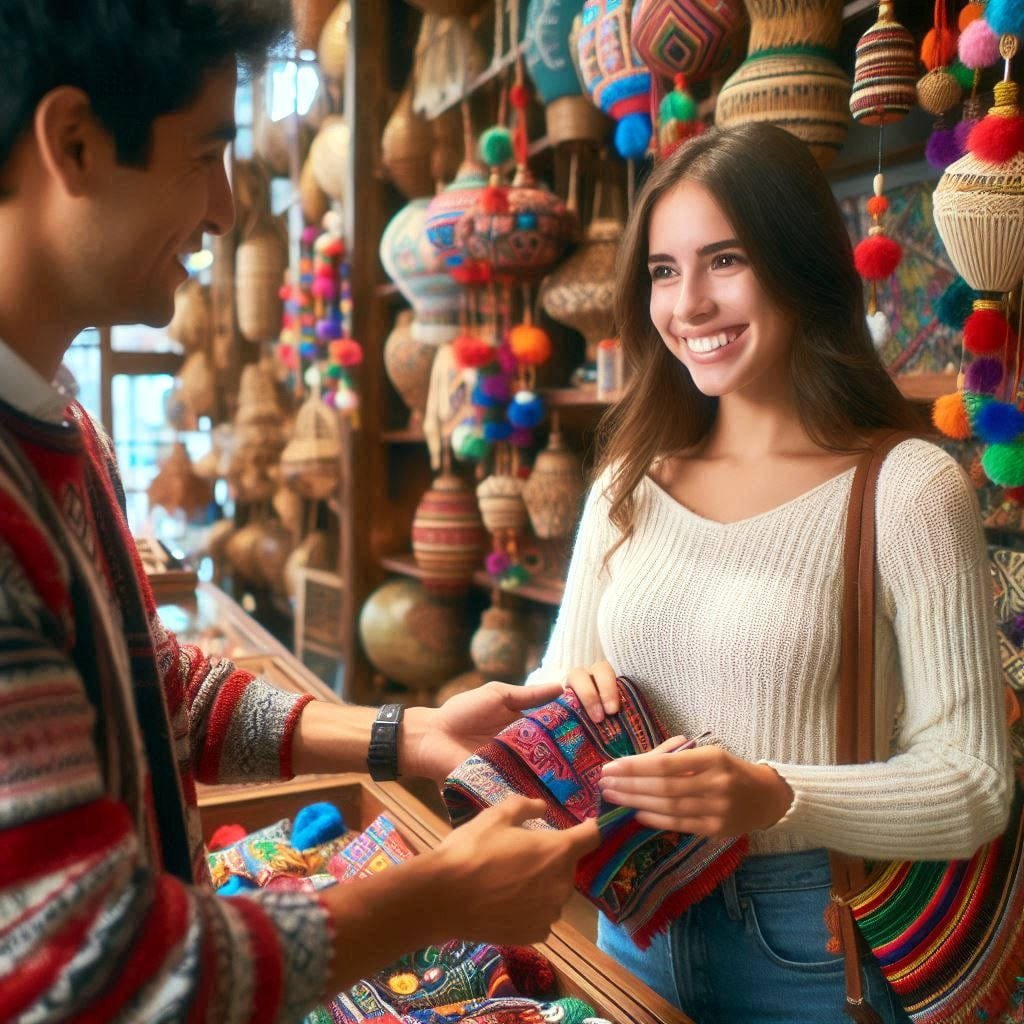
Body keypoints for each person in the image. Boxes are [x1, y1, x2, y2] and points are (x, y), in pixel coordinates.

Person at [0, 2, 598, 1021]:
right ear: (75, 143)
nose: (228, 208)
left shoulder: (56, 417)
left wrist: (404, 737)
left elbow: (158, 690)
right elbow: (94, 967)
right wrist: (439, 896)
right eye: (206, 154)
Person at [525, 122, 1013, 1024]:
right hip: (629, 914)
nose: (690, 305)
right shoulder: (625, 486)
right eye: (665, 271)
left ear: (799, 267)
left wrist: (777, 794)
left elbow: (975, 782)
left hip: (811, 940)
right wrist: (566, 696)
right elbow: (542, 696)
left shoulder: (908, 487)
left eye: (726, 260)